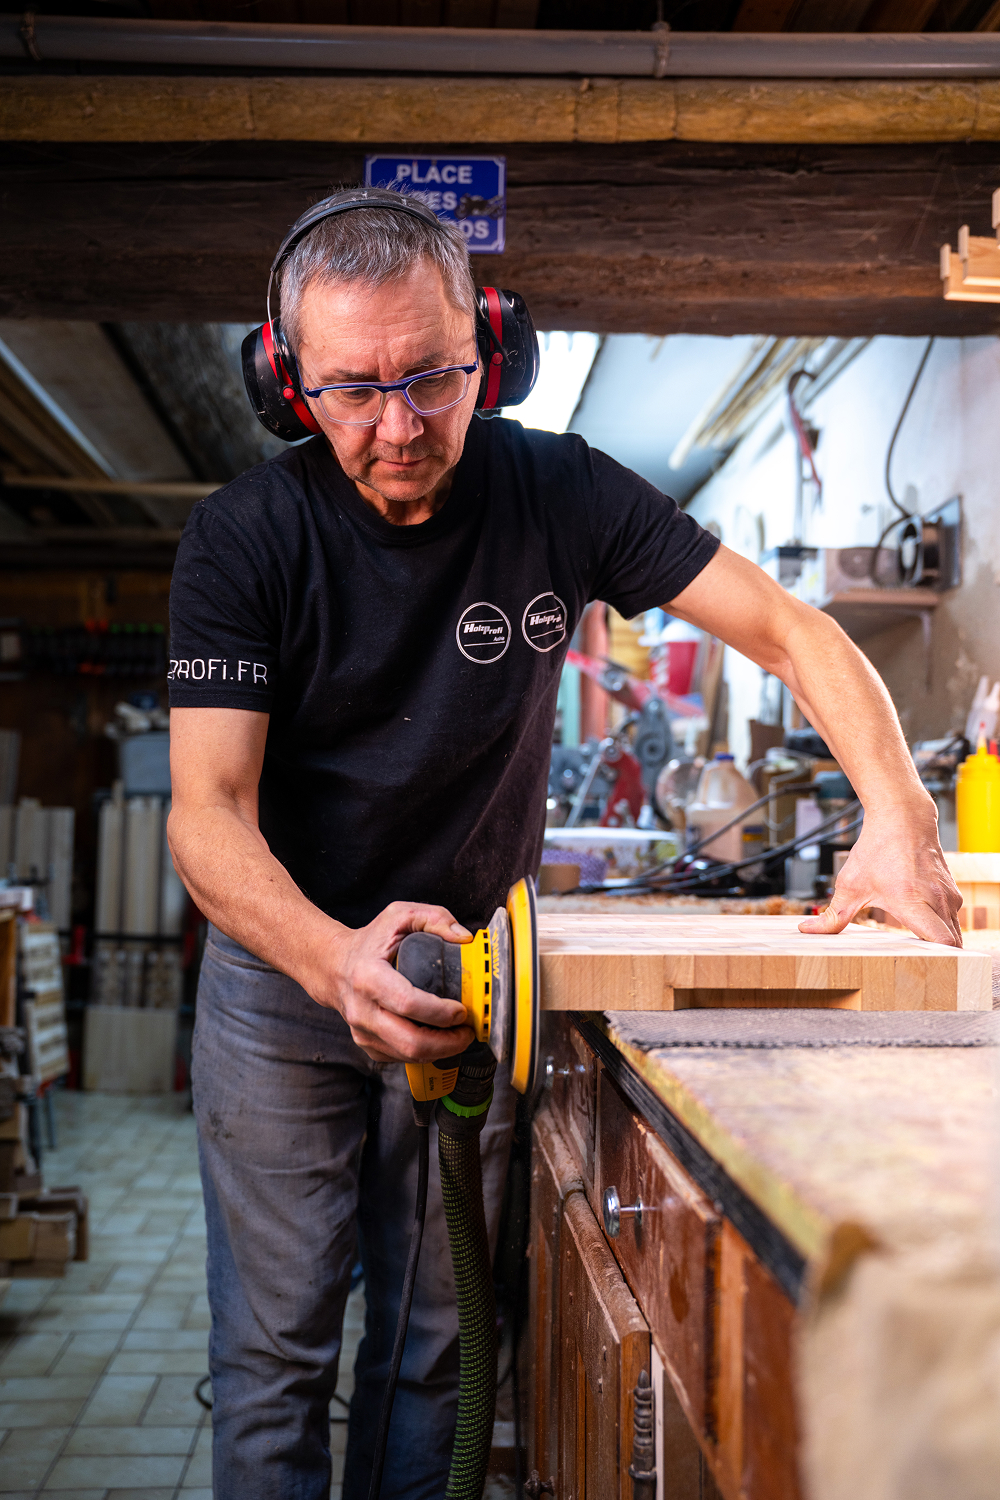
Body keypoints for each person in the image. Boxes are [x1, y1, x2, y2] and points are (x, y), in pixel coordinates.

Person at [166, 188, 962, 1500]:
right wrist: (329, 960)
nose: (400, 424)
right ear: (284, 379)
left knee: (431, 1350)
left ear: (493, 345)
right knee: (274, 1357)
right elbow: (208, 813)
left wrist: (899, 817)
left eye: (431, 376)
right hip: (283, 987)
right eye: (352, 391)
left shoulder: (560, 492)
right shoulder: (248, 537)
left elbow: (791, 632)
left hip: (473, 980)